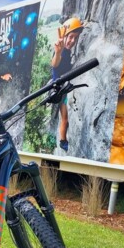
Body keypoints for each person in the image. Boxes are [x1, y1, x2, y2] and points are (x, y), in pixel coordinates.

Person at [50, 16, 85, 152]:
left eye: (75, 38)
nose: (72, 41)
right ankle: (63, 142)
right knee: (64, 119)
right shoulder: (61, 50)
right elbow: (55, 63)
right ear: (64, 36)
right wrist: (58, 53)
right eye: (70, 37)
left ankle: (63, 141)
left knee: (64, 118)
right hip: (59, 89)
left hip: (62, 87)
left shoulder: (67, 50)